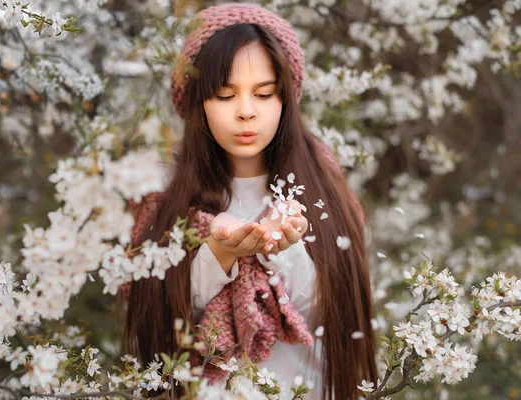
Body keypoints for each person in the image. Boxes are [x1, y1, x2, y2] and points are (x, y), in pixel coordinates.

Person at [122, 3, 378, 399]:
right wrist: (218, 253)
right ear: (197, 104)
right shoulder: (162, 186)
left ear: (285, 98)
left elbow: (331, 312)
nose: (246, 113)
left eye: (263, 94)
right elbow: (156, 313)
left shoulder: (318, 180)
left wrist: (281, 249)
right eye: (225, 96)